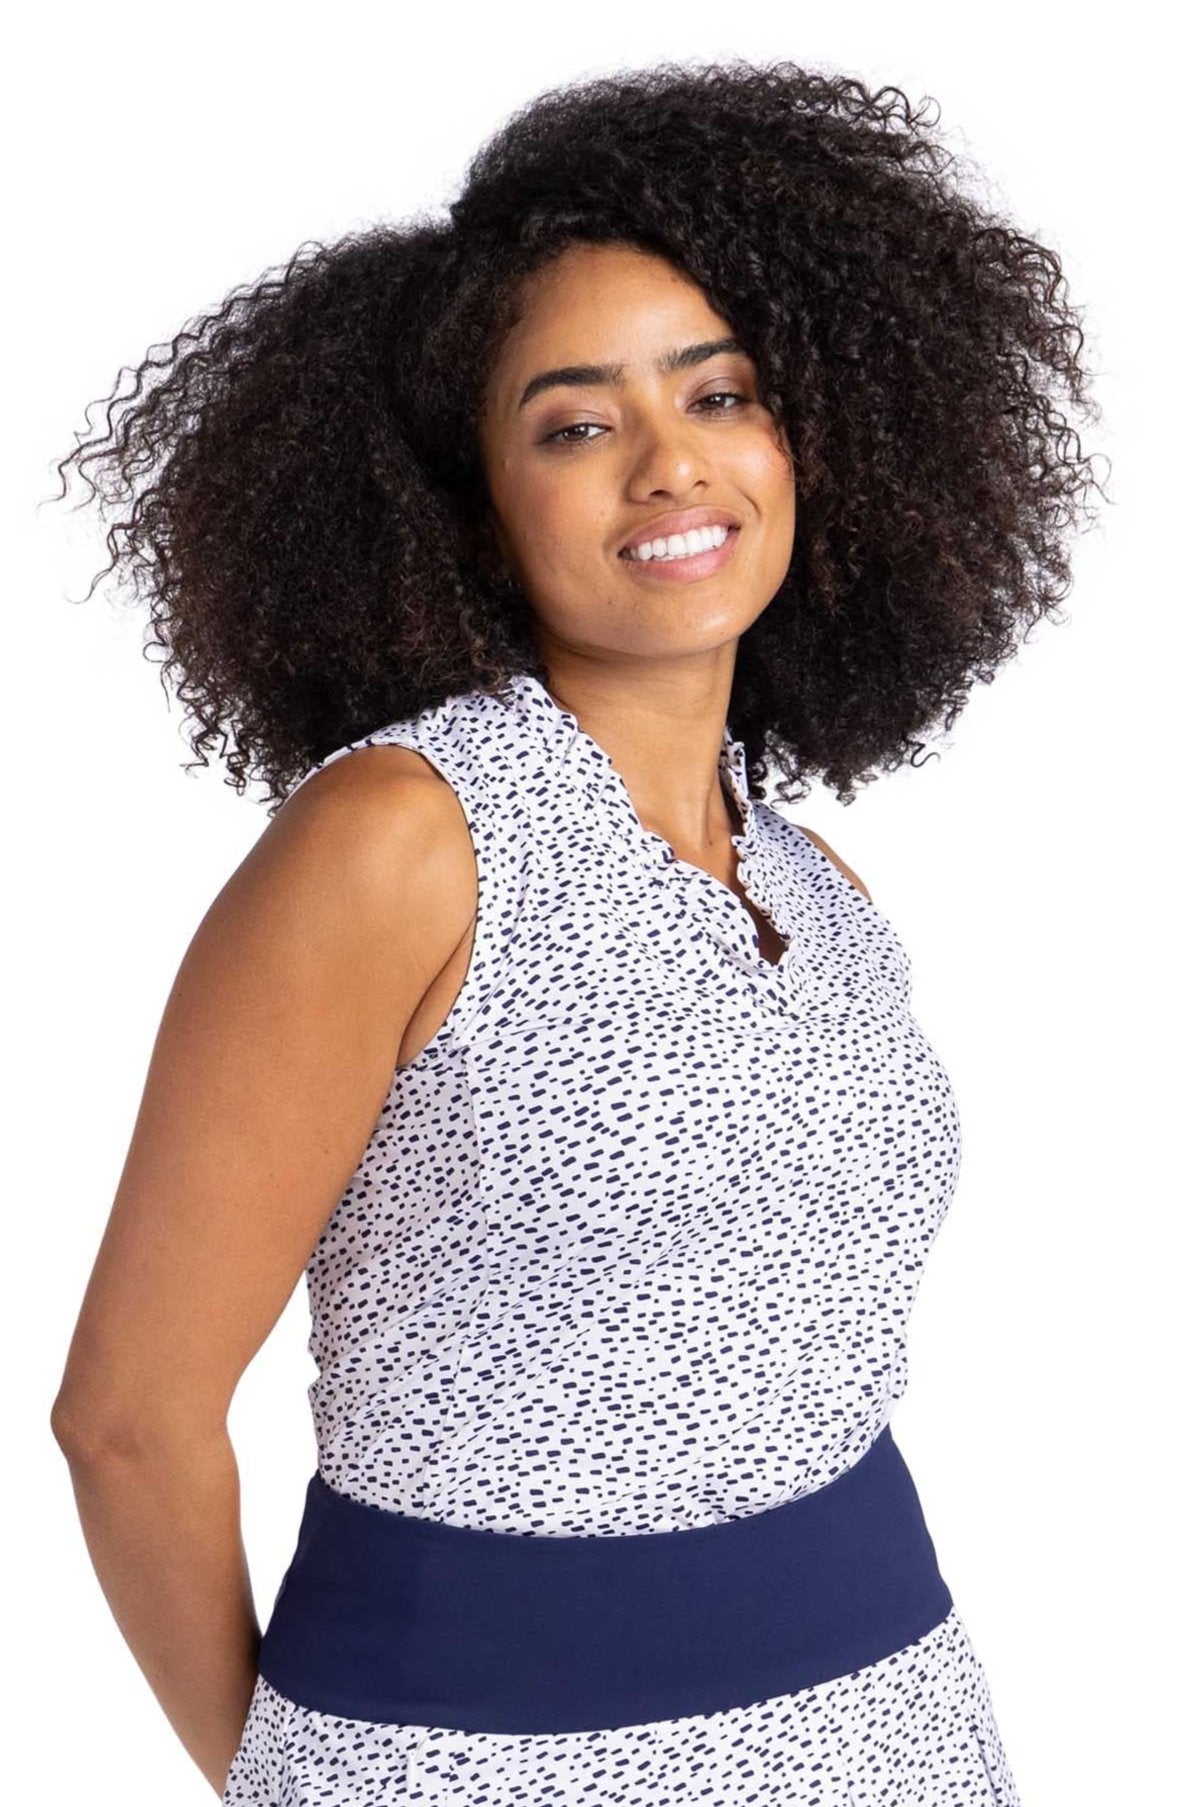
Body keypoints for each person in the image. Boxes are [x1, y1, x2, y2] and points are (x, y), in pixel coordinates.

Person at [48, 59, 1104, 1806]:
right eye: (576, 422)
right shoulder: (397, 844)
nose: (670, 464)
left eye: (724, 394)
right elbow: (129, 1418)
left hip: (889, 1728)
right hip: (473, 1763)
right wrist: (298, 1781)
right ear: (471, 502)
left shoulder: (820, 888)